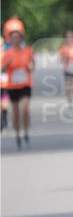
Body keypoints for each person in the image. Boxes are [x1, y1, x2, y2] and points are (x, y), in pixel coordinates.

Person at [1, 16, 34, 149]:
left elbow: (32, 65)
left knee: (24, 109)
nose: (15, 39)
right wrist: (6, 65)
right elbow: (2, 69)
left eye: (17, 37)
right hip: (13, 85)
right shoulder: (7, 54)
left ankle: (26, 132)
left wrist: (31, 66)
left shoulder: (28, 51)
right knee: (15, 112)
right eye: (13, 37)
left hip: (25, 84)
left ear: (21, 38)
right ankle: (18, 135)